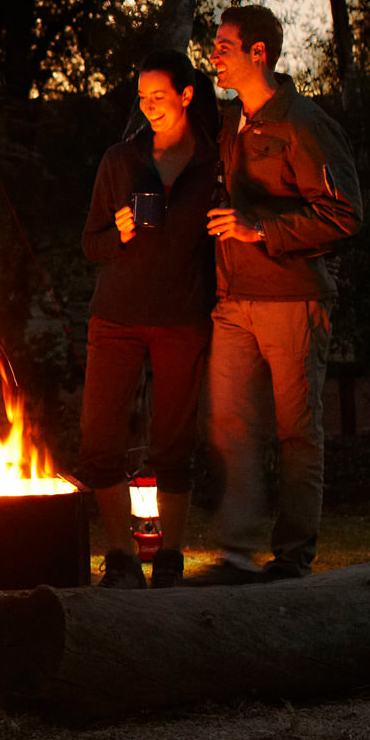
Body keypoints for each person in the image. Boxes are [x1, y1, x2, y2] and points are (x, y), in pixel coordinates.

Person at [192, 5, 363, 585]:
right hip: (232, 299)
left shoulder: (304, 125)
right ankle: (236, 554)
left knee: (296, 432)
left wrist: (260, 229)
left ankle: (291, 560)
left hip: (292, 299)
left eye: (224, 44)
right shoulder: (229, 124)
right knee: (230, 427)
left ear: (258, 52)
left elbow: (344, 214)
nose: (214, 53)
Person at [76, 49, 221, 589]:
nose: (149, 105)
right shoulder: (121, 159)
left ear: (186, 95)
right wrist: (119, 233)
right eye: (142, 97)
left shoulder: (214, 162)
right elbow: (90, 245)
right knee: (99, 439)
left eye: (159, 96)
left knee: (173, 443)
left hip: (182, 317)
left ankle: (169, 559)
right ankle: (119, 557)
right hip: (115, 317)